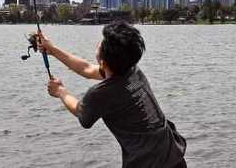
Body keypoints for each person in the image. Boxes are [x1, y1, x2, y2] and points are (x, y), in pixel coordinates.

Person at [35, 21, 187, 168]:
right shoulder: (132, 69)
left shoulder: (101, 94)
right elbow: (87, 69)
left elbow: (80, 112)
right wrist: (52, 49)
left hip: (148, 162)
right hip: (174, 155)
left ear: (103, 63)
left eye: (102, 42)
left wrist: (60, 91)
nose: (99, 43)